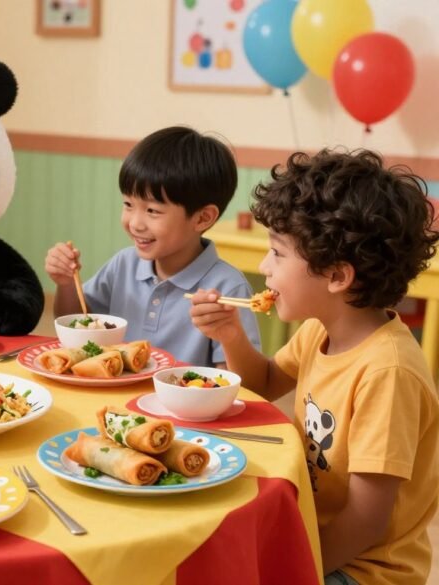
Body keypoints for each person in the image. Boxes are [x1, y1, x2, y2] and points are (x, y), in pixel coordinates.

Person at [190, 149, 439, 585]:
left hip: (364, 569)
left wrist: (292, 568)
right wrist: (230, 334)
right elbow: (264, 383)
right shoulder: (318, 330)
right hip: (311, 531)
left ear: (337, 276)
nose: (264, 268)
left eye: (277, 253)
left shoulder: (388, 373)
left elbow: (366, 521)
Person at [45, 126, 260, 366]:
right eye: (128, 204)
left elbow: (234, 379)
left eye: (152, 211)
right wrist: (66, 283)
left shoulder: (227, 288)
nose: (135, 223)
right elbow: (75, 322)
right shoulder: (124, 264)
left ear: (202, 218)